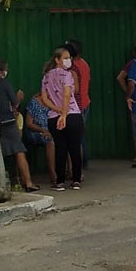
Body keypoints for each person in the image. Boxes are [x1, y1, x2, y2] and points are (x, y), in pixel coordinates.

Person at [0, 59, 39, 192]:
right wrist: (19, 97)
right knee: (18, 150)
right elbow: (15, 103)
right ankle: (28, 183)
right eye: (5, 69)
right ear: (0, 72)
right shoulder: (4, 83)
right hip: (7, 121)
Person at [41, 47, 84, 191]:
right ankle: (76, 179)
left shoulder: (46, 76)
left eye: (69, 57)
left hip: (53, 117)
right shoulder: (67, 75)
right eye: (65, 58)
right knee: (74, 148)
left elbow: (44, 98)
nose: (68, 60)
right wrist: (64, 114)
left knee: (60, 148)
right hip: (71, 114)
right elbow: (67, 94)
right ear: (57, 60)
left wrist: (57, 110)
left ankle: (59, 182)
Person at [116, 42, 136, 162]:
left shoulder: (134, 64)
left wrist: (127, 93)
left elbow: (120, 78)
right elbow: (120, 78)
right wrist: (128, 93)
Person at [65, 39, 91, 169]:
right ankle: (83, 161)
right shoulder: (84, 63)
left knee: (76, 137)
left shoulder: (72, 66)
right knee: (80, 134)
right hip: (85, 102)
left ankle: (79, 164)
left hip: (77, 105)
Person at [24, 93, 57, 186]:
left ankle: (70, 171)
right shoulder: (34, 102)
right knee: (50, 142)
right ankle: (53, 174)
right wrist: (43, 130)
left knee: (66, 138)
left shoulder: (53, 101)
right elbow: (29, 123)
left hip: (51, 131)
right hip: (37, 132)